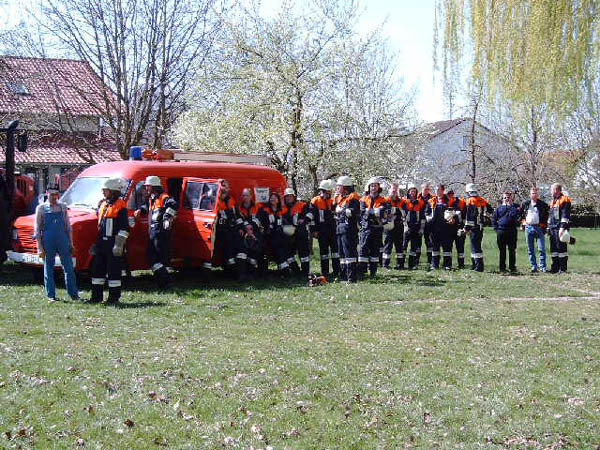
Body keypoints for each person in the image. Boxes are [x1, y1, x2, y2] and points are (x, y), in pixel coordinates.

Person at [34, 184, 79, 302]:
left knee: (68, 266)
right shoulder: (41, 208)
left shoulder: (63, 207)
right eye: (52, 195)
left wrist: (71, 242)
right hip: (48, 239)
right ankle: (51, 295)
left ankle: (73, 294)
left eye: (56, 195)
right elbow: (37, 228)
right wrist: (39, 247)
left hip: (62, 239)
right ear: (47, 193)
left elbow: (68, 226)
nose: (54, 197)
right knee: (49, 266)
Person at [90, 178, 129, 304]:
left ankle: (113, 298)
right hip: (102, 243)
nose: (103, 192)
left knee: (114, 272)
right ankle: (96, 297)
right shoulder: (104, 204)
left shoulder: (120, 205)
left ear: (112, 191)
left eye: (105, 190)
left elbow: (124, 228)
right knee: (97, 270)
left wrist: (119, 245)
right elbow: (100, 224)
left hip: (113, 243)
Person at [135, 176, 177, 289]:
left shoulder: (164, 197)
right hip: (153, 232)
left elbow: (173, 204)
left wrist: (167, 217)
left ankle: (165, 281)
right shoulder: (153, 198)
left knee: (159, 258)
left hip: (161, 233)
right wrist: (141, 210)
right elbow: (148, 207)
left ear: (154, 187)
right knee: (152, 257)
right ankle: (163, 279)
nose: (146, 189)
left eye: (148, 186)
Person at [214, 179, 247, 279]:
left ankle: (241, 274)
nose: (226, 187)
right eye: (224, 185)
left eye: (227, 186)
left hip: (234, 229)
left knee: (241, 248)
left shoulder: (231, 200)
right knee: (229, 251)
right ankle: (232, 273)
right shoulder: (214, 200)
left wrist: (241, 227)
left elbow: (237, 216)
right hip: (221, 231)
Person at [358, 177, 390, 278]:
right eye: (371, 186)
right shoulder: (363, 199)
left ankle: (373, 272)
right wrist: (376, 211)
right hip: (366, 228)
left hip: (377, 228)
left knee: (375, 250)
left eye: (375, 186)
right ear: (368, 187)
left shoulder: (383, 200)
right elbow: (363, 213)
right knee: (363, 249)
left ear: (378, 187)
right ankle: (362, 272)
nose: (373, 187)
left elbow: (384, 212)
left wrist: (370, 211)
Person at [310, 180, 340, 279]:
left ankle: (337, 271)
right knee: (324, 253)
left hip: (333, 230)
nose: (328, 193)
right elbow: (312, 217)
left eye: (329, 192)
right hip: (321, 230)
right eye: (327, 191)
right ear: (322, 190)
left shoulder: (332, 201)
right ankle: (325, 272)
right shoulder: (315, 201)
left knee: (335, 252)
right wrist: (314, 230)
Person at [333, 175, 361, 282]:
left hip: (349, 229)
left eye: (339, 186)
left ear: (345, 187)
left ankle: (352, 277)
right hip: (340, 228)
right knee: (342, 254)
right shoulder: (340, 198)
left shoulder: (353, 197)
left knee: (349, 253)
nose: (337, 188)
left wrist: (342, 210)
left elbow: (354, 212)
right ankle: (344, 275)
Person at [282, 188, 312, 276]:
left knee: (304, 253)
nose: (288, 198)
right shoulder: (283, 208)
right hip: (289, 234)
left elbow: (310, 214)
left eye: (290, 196)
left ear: (294, 197)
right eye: (286, 197)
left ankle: (305, 272)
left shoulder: (302, 205)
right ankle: (295, 270)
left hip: (301, 232)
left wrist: (305, 220)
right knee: (288, 253)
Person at [464, 183, 493, 272]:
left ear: (468, 192)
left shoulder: (470, 200)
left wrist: (466, 228)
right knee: (477, 245)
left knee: (474, 246)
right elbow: (491, 210)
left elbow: (470, 216)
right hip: (480, 226)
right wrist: (484, 217)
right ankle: (475, 265)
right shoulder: (482, 200)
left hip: (473, 227)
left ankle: (478, 266)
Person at [238, 188, 267, 278]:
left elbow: (260, 219)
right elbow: (239, 219)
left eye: (246, 195)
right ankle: (243, 274)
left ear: (251, 196)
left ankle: (254, 272)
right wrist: (246, 227)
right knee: (242, 249)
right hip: (245, 231)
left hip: (256, 231)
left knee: (257, 248)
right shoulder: (239, 208)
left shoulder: (258, 206)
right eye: (243, 195)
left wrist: (251, 227)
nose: (245, 197)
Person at [520, 187, 549, 273]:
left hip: (539, 228)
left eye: (535, 193)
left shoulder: (543, 204)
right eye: (533, 193)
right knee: (530, 249)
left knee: (541, 249)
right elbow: (520, 214)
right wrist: (523, 222)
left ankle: (543, 267)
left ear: (538, 194)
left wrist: (545, 226)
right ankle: (534, 266)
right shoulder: (525, 204)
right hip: (528, 228)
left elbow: (547, 216)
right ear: (530, 194)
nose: (534, 195)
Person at [260, 192, 290, 275]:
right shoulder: (265, 210)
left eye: (275, 198)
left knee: (282, 248)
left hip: (281, 235)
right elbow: (263, 223)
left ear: (278, 200)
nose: (273, 199)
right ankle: (283, 269)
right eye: (271, 198)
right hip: (269, 236)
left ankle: (284, 269)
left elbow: (286, 222)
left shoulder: (282, 210)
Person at [426, 184, 454, 270]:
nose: (437, 191)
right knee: (435, 247)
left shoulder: (449, 200)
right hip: (434, 227)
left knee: (447, 247)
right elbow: (427, 212)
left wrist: (453, 219)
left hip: (446, 227)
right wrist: (429, 219)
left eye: (439, 189)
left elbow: (456, 211)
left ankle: (447, 265)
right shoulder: (431, 201)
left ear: (443, 190)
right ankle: (434, 265)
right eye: (436, 189)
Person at [492, 191, 520, 272]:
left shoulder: (515, 207)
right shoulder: (499, 208)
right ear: (502, 199)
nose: (506, 199)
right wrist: (496, 229)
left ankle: (512, 267)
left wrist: (511, 205)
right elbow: (494, 218)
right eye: (504, 198)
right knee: (502, 250)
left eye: (508, 197)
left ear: (511, 198)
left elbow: (517, 214)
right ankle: (502, 268)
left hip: (512, 231)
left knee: (512, 250)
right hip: (501, 231)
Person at [548, 183, 572, 273]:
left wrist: (562, 228)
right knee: (554, 249)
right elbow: (551, 215)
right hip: (552, 228)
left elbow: (565, 215)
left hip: (560, 228)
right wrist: (548, 227)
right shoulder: (553, 201)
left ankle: (563, 269)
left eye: (551, 189)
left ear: (556, 190)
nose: (550, 191)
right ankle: (555, 268)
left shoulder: (565, 199)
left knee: (561, 249)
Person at [382, 182, 406, 269]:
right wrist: (396, 211)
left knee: (399, 245)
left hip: (399, 226)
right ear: (389, 190)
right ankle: (385, 264)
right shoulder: (385, 201)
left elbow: (404, 213)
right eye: (393, 189)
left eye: (396, 189)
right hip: (388, 226)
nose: (394, 191)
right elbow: (384, 212)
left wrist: (394, 211)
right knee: (387, 245)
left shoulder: (402, 201)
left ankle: (400, 264)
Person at [403, 184, 426, 269]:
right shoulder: (404, 202)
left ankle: (412, 264)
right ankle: (401, 263)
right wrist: (405, 226)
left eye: (414, 191)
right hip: (406, 227)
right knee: (404, 246)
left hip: (416, 227)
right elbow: (402, 215)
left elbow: (423, 217)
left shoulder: (420, 202)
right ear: (408, 192)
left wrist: (422, 228)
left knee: (414, 246)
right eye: (411, 191)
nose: (412, 193)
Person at [446, 189, 467, 268]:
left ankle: (461, 264)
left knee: (460, 247)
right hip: (448, 228)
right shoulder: (444, 202)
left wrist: (464, 227)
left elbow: (464, 215)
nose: (449, 196)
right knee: (448, 247)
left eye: (450, 194)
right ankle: (448, 264)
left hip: (459, 228)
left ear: (453, 194)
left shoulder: (461, 202)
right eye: (448, 194)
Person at [418, 183, 434, 265]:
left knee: (429, 241)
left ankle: (430, 261)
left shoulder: (433, 198)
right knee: (418, 241)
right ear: (421, 189)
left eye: (428, 189)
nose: (426, 190)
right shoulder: (417, 197)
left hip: (429, 223)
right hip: (419, 222)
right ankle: (416, 260)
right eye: (425, 189)